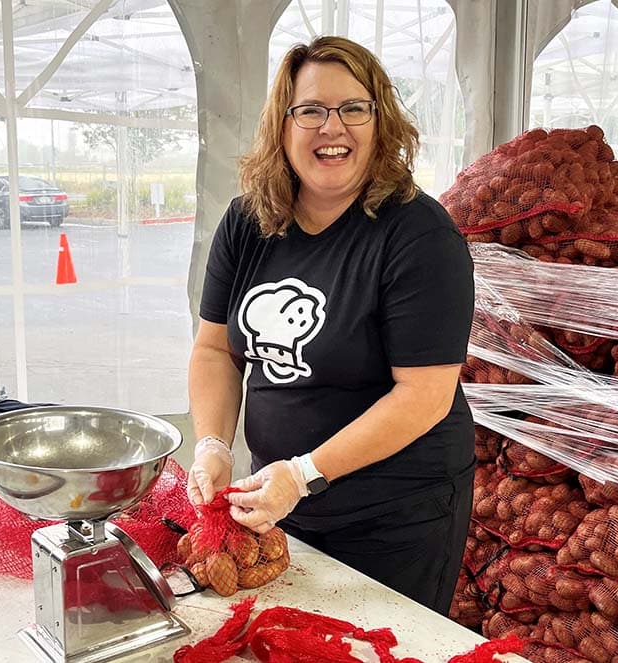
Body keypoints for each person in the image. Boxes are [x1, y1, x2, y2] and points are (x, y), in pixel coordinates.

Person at [186, 35, 475, 616]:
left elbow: (425, 395)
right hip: (281, 501)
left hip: (395, 512)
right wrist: (214, 443)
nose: (332, 127)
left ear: (380, 123)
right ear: (283, 126)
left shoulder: (419, 235)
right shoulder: (248, 220)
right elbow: (216, 350)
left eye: (353, 109)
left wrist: (304, 474)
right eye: (311, 110)